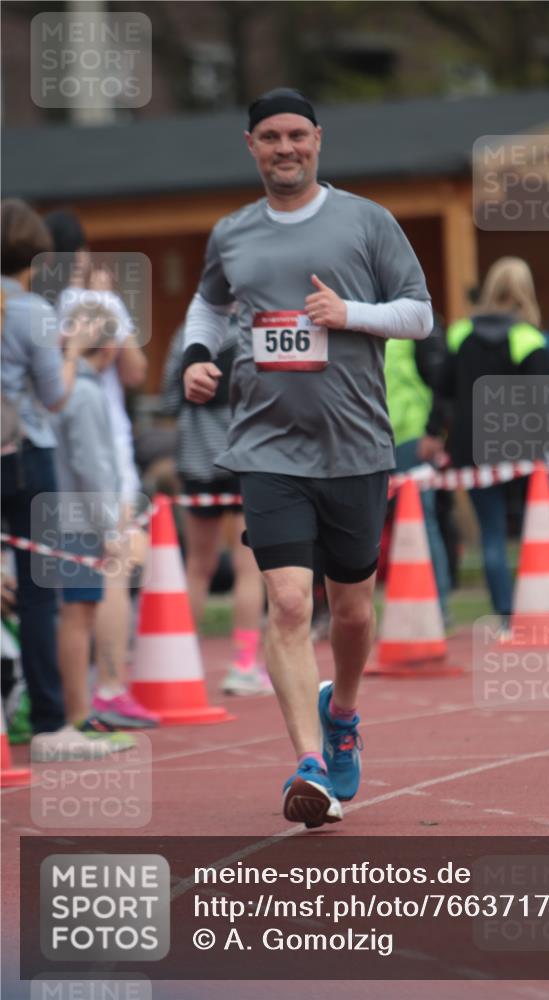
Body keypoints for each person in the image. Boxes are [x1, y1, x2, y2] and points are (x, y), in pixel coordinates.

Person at [182, 87, 432, 827]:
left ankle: (343, 712)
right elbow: (208, 303)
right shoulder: (232, 233)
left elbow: (418, 311)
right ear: (250, 146)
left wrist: (348, 314)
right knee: (290, 602)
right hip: (265, 444)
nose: (283, 148)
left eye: (296, 135)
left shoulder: (366, 220)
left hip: (354, 444)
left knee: (350, 611)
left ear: (318, 140)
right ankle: (309, 766)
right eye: (269, 137)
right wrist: (199, 354)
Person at [43, 210, 155, 727]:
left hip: (45, 450)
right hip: (99, 443)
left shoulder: (27, 303)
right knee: (110, 565)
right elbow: (134, 371)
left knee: (58, 582)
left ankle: (60, 700)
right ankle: (105, 689)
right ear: (80, 254)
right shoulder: (97, 303)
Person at [422, 258, 549, 635]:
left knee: (492, 533)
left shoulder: (461, 333)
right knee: (535, 531)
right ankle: (542, 608)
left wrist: (433, 433)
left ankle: (507, 617)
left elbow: (441, 392)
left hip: (472, 448)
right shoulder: (528, 338)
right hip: (522, 450)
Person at [31, 305, 135, 760]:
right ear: (110, 349)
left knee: (68, 613)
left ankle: (70, 709)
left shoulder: (58, 389)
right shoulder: (88, 396)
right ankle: (75, 714)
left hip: (56, 513)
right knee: (79, 614)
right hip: (77, 519)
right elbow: (92, 467)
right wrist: (109, 524)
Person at [1, 199, 80, 743]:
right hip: (26, 453)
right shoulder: (31, 310)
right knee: (38, 589)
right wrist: (71, 350)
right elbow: (54, 397)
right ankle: (51, 722)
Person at [161, 324, 270, 695]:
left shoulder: (185, 336)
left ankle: (180, 663)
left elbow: (170, 400)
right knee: (249, 568)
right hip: (246, 458)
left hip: (197, 461)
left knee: (197, 566)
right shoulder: (255, 333)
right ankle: (243, 665)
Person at [384, 322, 451, 622]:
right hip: (376, 439)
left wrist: (433, 430)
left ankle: (438, 609)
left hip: (413, 439)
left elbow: (443, 382)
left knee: (424, 523)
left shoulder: (419, 322)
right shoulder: (365, 315)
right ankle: (408, 611)